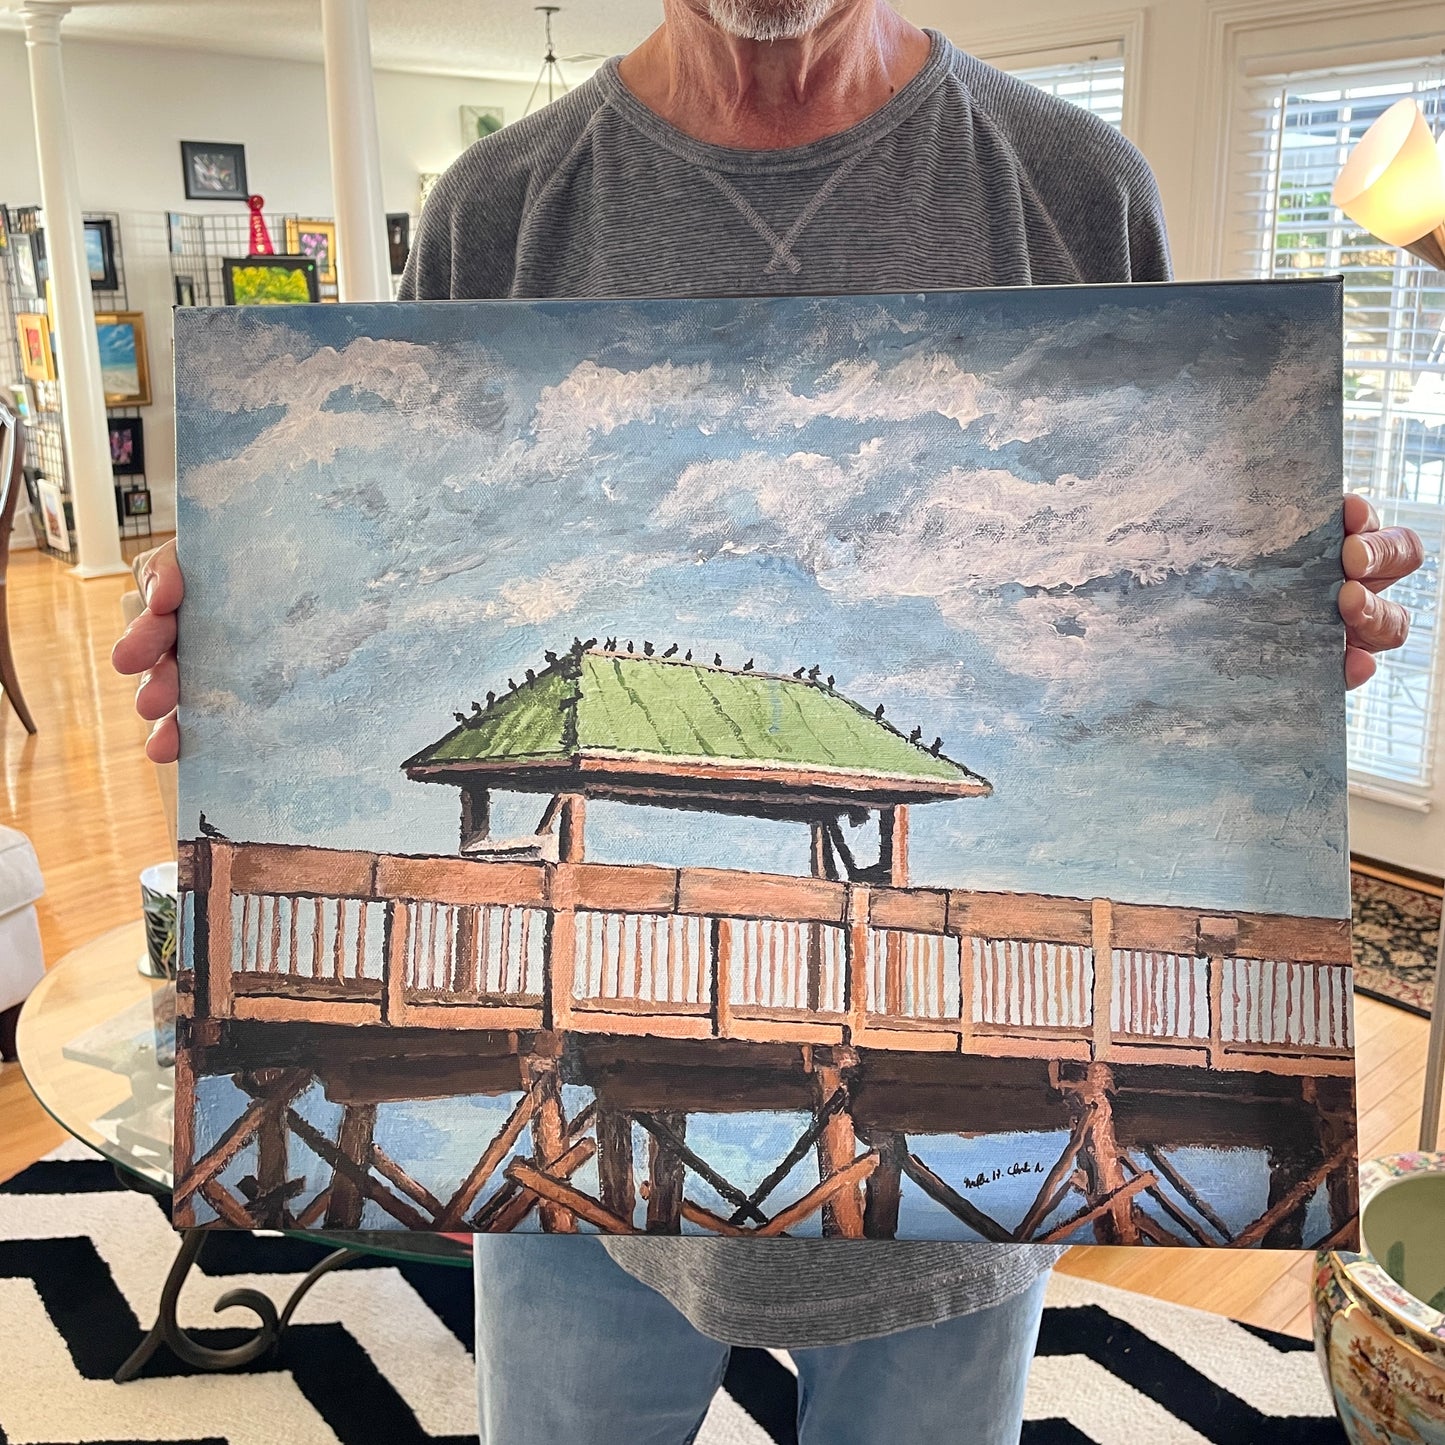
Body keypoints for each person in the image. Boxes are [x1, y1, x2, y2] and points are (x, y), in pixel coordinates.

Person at [115, 1, 1423, 1440]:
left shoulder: (1075, 187)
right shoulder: (494, 210)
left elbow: (1187, 574)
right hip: (572, 1228)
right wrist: (226, 619)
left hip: (947, 1257)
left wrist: (1287, 614)